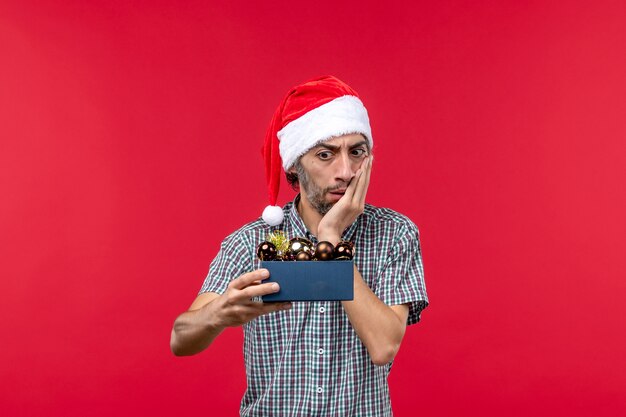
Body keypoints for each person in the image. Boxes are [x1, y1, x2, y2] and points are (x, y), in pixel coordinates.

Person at [170, 75, 428, 417]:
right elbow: (180, 339)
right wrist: (216, 315)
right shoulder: (251, 241)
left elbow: (383, 346)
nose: (346, 171)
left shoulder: (394, 234)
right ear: (295, 164)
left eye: (357, 153)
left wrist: (331, 239)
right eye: (326, 155)